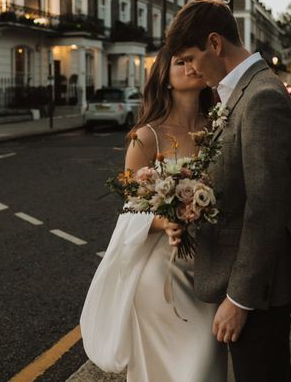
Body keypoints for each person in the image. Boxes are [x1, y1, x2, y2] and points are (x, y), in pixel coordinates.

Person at [165, 0, 291, 382]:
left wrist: (239, 300)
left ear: (215, 44)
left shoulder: (262, 96)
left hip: (258, 290)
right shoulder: (239, 92)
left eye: (190, 58)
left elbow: (266, 207)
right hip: (244, 278)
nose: (190, 69)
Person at [81, 46, 227, 382]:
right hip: (163, 274)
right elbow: (129, 208)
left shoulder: (219, 129)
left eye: (193, 60)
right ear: (164, 77)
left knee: (207, 368)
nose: (192, 66)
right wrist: (163, 220)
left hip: (209, 267)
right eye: (181, 62)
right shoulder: (146, 137)